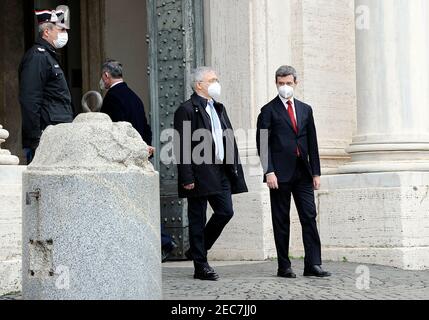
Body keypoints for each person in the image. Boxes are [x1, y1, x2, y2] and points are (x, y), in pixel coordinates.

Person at [256, 65, 331, 278]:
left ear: (295, 83)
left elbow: (312, 142)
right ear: (276, 84)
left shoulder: (306, 109)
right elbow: (262, 143)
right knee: (281, 219)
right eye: (281, 83)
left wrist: (316, 172)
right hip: (279, 175)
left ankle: (313, 264)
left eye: (288, 83)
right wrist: (268, 171)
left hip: (303, 173)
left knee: (309, 215)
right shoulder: (268, 110)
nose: (285, 87)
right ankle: (284, 266)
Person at [174, 67, 248, 281]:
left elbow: (227, 137)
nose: (217, 83)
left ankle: (197, 249)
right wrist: (186, 176)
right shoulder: (186, 109)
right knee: (197, 218)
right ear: (199, 85)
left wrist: (234, 166)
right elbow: (182, 145)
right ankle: (201, 265)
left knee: (225, 211)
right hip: (198, 172)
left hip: (221, 169)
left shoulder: (218, 108)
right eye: (212, 80)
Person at [19, 6, 74, 164]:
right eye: (60, 30)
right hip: (46, 136)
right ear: (47, 31)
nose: (64, 34)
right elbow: (30, 99)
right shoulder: (38, 57)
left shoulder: (49, 56)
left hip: (58, 133)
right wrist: (36, 137)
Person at [100, 60, 154, 156]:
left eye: (102, 76)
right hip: (139, 151)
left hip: (125, 154)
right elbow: (145, 127)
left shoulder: (111, 97)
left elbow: (112, 127)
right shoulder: (134, 97)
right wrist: (145, 146)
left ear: (106, 75)